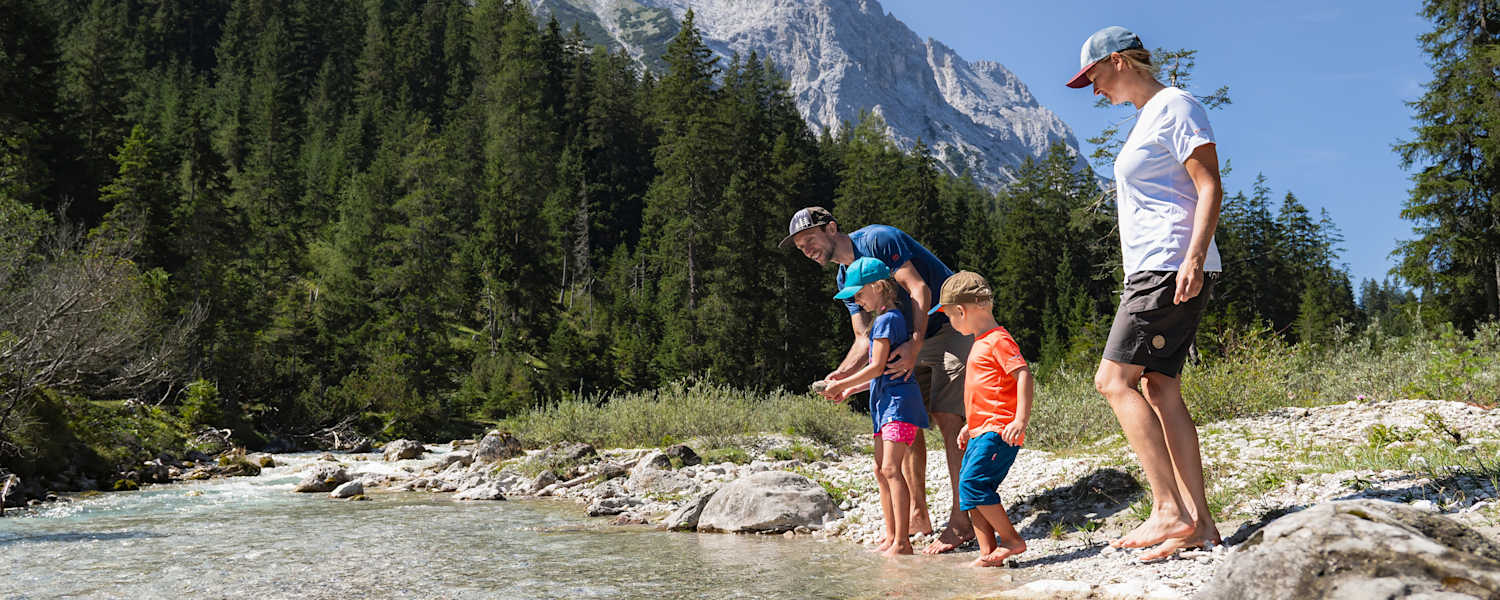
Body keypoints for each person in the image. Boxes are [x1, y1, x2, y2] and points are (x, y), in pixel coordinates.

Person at [1066, 25, 1224, 560]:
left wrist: (1194, 257)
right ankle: (1199, 524)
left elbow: (1209, 184)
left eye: (1092, 77)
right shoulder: (1145, 120)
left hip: (1168, 265)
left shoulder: (1176, 105)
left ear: (1117, 61)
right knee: (1159, 387)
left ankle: (1168, 510)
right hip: (1155, 267)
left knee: (1112, 380)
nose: (1093, 90)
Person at [781, 207, 975, 553]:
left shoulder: (878, 239)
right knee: (908, 426)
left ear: (831, 228)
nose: (807, 250)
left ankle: (962, 521)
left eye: (809, 239)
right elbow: (863, 337)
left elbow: (917, 288)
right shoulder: (846, 279)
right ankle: (917, 515)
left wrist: (915, 343)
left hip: (949, 323)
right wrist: (842, 375)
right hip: (907, 340)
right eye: (800, 248)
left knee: (949, 419)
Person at [822, 257, 930, 556]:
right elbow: (881, 374)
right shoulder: (886, 319)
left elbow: (876, 367)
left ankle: (902, 542)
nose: (857, 301)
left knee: (891, 469)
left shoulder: (887, 321)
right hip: (886, 406)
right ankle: (892, 535)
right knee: (880, 471)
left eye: (859, 294)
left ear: (878, 286)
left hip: (899, 406)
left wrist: (841, 384)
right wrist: (850, 390)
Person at [929, 271, 1033, 567]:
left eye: (949, 315)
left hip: (999, 430)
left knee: (974, 483)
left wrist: (1020, 420)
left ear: (960, 311)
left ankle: (1012, 540)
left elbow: (1023, 374)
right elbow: (985, 394)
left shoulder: (998, 340)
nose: (949, 322)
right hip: (980, 431)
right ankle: (988, 554)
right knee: (967, 489)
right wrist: (968, 426)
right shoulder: (981, 341)